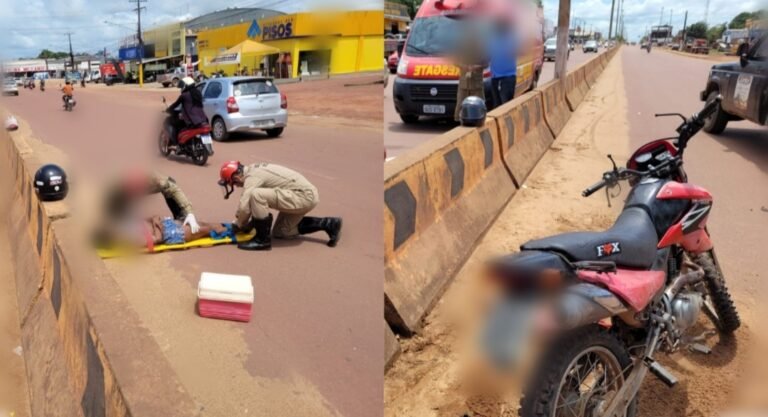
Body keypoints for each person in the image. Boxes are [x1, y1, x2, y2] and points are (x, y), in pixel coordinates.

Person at [218, 161, 343, 251]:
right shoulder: (253, 170)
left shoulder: (252, 177)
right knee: (281, 232)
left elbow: (244, 206)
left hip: (303, 196)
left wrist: (239, 225)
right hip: (302, 195)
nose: (235, 186)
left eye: (232, 183)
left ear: (236, 176)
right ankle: (328, 224)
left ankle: (262, 240)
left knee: (256, 195)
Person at [454, 23, 487, 122]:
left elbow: (486, 63)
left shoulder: (481, 47)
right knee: (460, 105)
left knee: (479, 105)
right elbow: (454, 61)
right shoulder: (460, 46)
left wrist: (477, 67)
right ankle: (459, 123)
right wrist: (465, 67)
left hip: (476, 83)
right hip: (464, 82)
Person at [165, 77, 208, 146]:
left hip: (191, 120)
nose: (181, 88)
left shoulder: (184, 95)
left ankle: (176, 142)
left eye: (182, 86)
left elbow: (175, 104)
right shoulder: (198, 93)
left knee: (172, 122)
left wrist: (168, 109)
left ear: (186, 85)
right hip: (202, 118)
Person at [488, 18, 518, 108]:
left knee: (506, 106)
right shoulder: (492, 40)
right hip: (495, 78)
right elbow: (487, 56)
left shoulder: (512, 39)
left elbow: (518, 51)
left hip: (508, 78)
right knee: (497, 106)